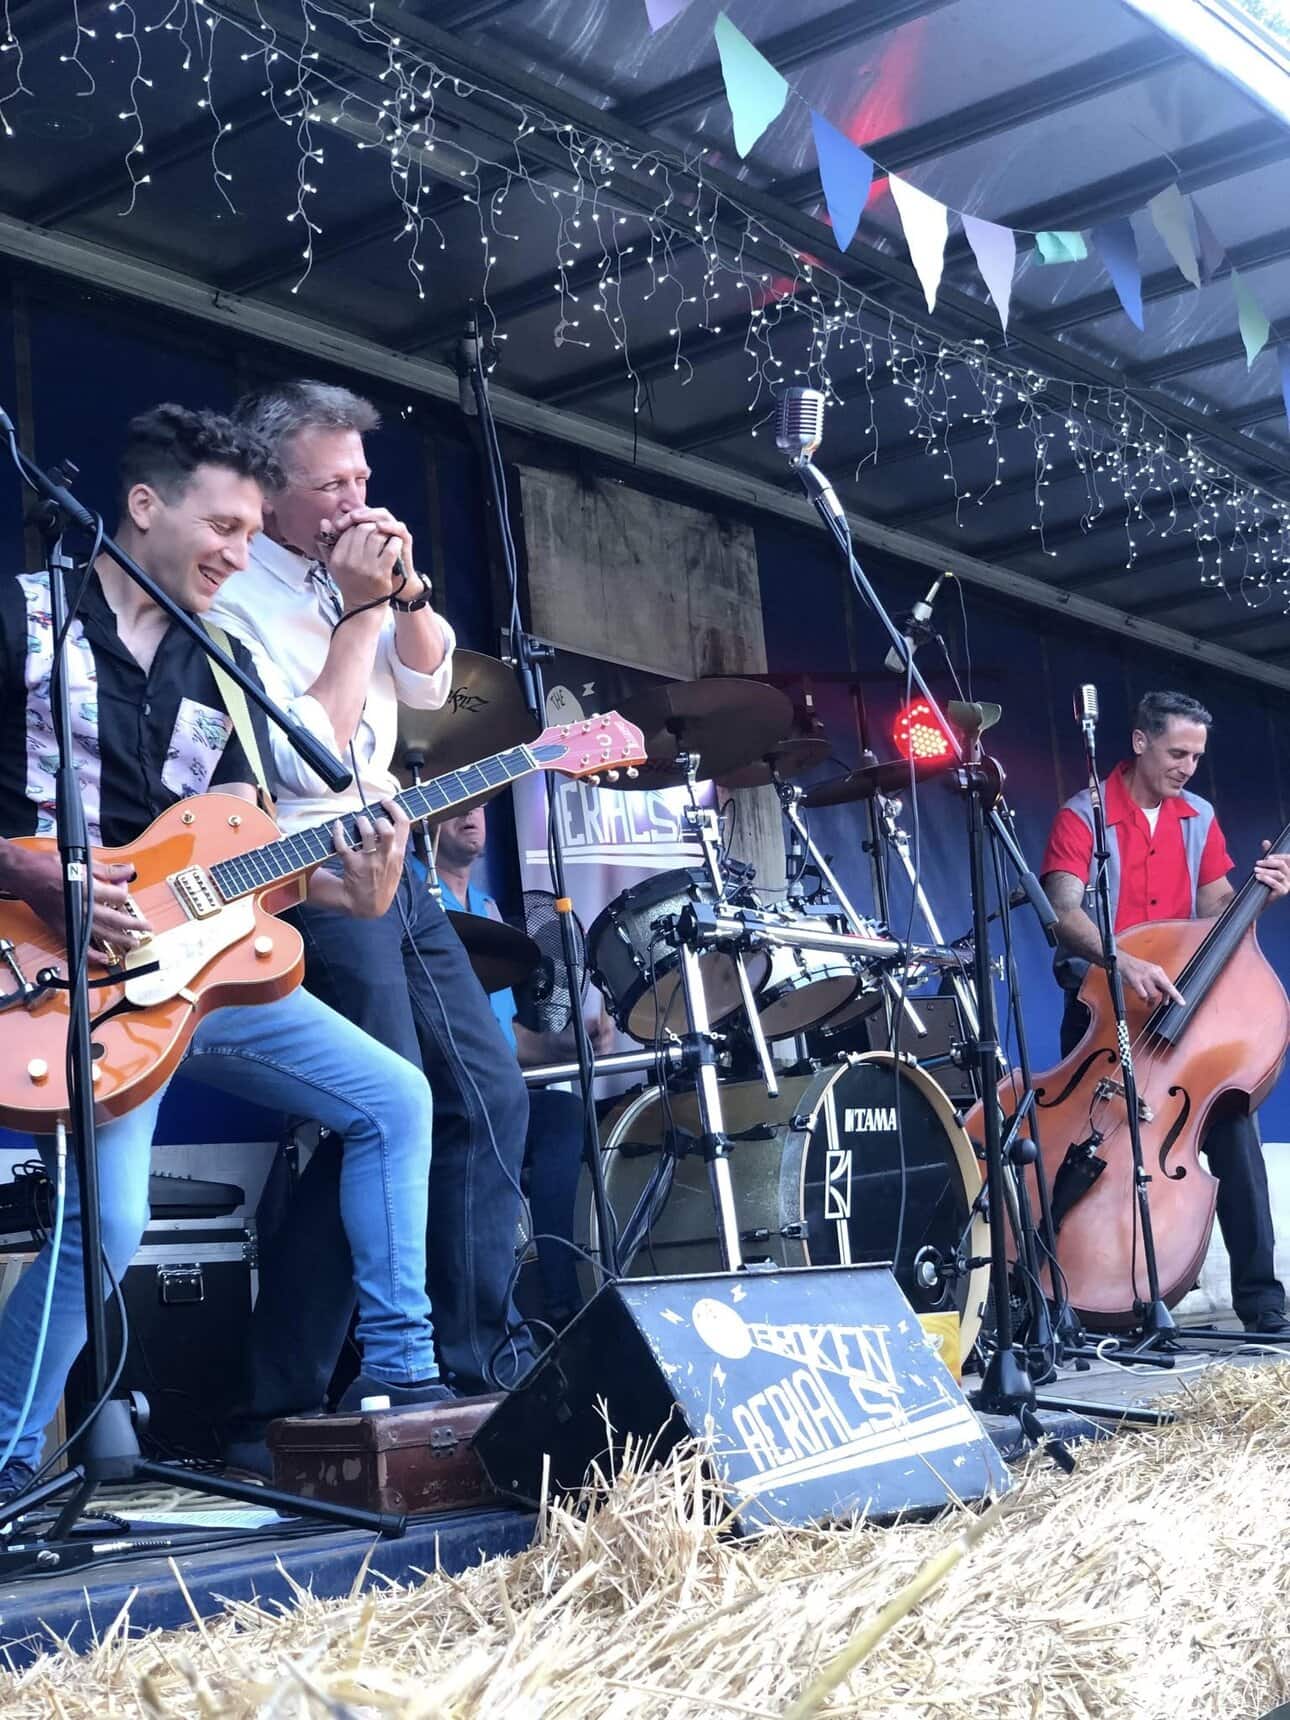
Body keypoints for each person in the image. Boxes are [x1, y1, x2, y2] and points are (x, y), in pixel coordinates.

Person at [0, 406, 449, 1504]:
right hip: (50, 971)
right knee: (104, 1217)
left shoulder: (224, 657)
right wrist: (30, 872)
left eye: (254, 535)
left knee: (394, 1098)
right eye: (226, 526)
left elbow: (247, 836)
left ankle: (404, 1385)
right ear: (144, 507)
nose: (242, 555)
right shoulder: (23, 619)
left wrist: (356, 883)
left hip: (189, 970)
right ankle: (7, 1461)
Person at [206, 379, 534, 1461]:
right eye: (332, 482)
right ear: (269, 489)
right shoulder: (230, 587)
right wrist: (352, 612)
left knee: (486, 1091)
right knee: (377, 1105)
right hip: (310, 876)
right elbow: (303, 756)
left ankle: (474, 1372)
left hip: (397, 859)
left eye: (364, 476)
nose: (357, 498)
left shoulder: (356, 572)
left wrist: (405, 595)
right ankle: (282, 1395)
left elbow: (431, 695)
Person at [1041, 689, 1290, 1334]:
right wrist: (1123, 960)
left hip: (1179, 1012)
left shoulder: (1198, 816)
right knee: (1091, 1143)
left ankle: (1261, 1298)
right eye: (1178, 752)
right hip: (1106, 1008)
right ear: (1139, 742)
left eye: (1197, 756)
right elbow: (1062, 912)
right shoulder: (1084, 814)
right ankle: (1062, 1284)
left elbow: (1215, 910)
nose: (1187, 766)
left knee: (1234, 1133)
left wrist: (1259, 898)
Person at [430, 806, 614, 1328]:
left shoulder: (487, 910)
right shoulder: (413, 897)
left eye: (478, 804)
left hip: (499, 1086)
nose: (471, 814)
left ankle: (562, 1302)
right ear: (426, 820)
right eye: (455, 806)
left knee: (562, 1114)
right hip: (445, 1088)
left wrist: (566, 1044)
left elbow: (507, 1039)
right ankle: (487, 1315)